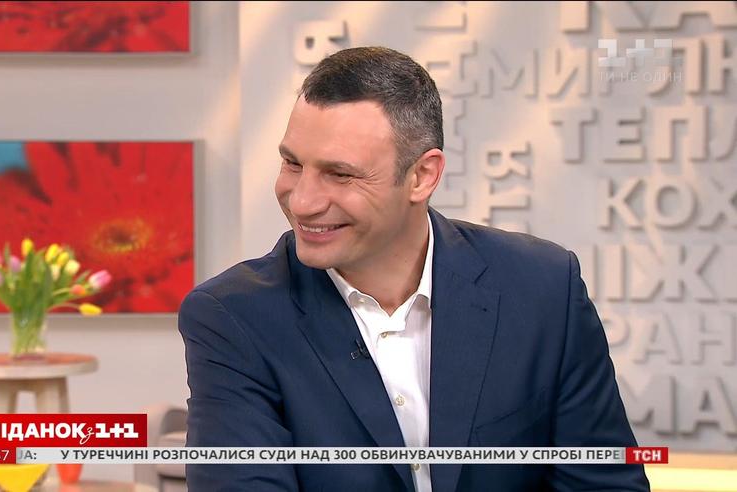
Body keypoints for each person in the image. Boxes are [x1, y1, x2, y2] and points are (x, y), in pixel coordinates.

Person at [178, 46, 649, 491]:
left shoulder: (542, 288)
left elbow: (605, 483)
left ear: (423, 176)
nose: (302, 201)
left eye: (340, 174)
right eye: (292, 164)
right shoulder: (232, 318)